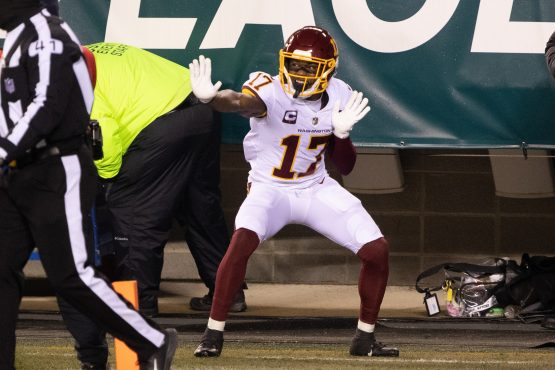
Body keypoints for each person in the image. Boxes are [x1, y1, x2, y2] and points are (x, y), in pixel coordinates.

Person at [190, 25, 400, 358]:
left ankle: (365, 338)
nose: (297, 73)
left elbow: (344, 167)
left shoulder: (342, 95)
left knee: (377, 250)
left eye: (307, 67)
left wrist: (342, 135)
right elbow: (239, 102)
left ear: (327, 70)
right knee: (241, 241)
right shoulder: (269, 89)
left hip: (314, 187)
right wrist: (212, 99)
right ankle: (213, 334)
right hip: (269, 189)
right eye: (293, 64)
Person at [0, 1, 176, 370]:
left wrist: (4, 148)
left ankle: (151, 341)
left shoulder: (47, 35)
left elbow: (47, 105)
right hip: (19, 172)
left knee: (72, 276)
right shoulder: (17, 38)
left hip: (55, 168)